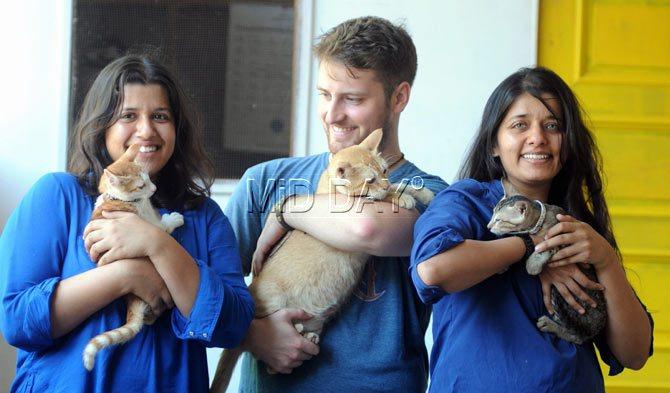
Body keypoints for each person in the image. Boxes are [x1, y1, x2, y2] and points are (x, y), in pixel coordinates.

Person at [0, 55, 253, 392]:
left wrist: (158, 244)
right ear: (102, 126)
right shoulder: (59, 196)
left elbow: (232, 326)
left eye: (160, 116)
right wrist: (124, 276)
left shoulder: (204, 217)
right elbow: (17, 321)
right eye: (128, 116)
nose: (146, 130)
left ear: (177, 128)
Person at [224, 16, 448, 392]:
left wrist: (290, 210)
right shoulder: (264, 182)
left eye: (353, 99)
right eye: (325, 94)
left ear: (399, 97)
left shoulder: (431, 194)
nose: (332, 114)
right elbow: (205, 293)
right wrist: (253, 335)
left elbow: (368, 227)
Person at [411, 67, 654, 392]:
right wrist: (527, 244)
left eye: (552, 125)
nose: (538, 137)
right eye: (519, 125)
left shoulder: (578, 229)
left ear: (567, 145)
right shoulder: (467, 204)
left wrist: (606, 261)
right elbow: (433, 271)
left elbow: (635, 353)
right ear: (494, 143)